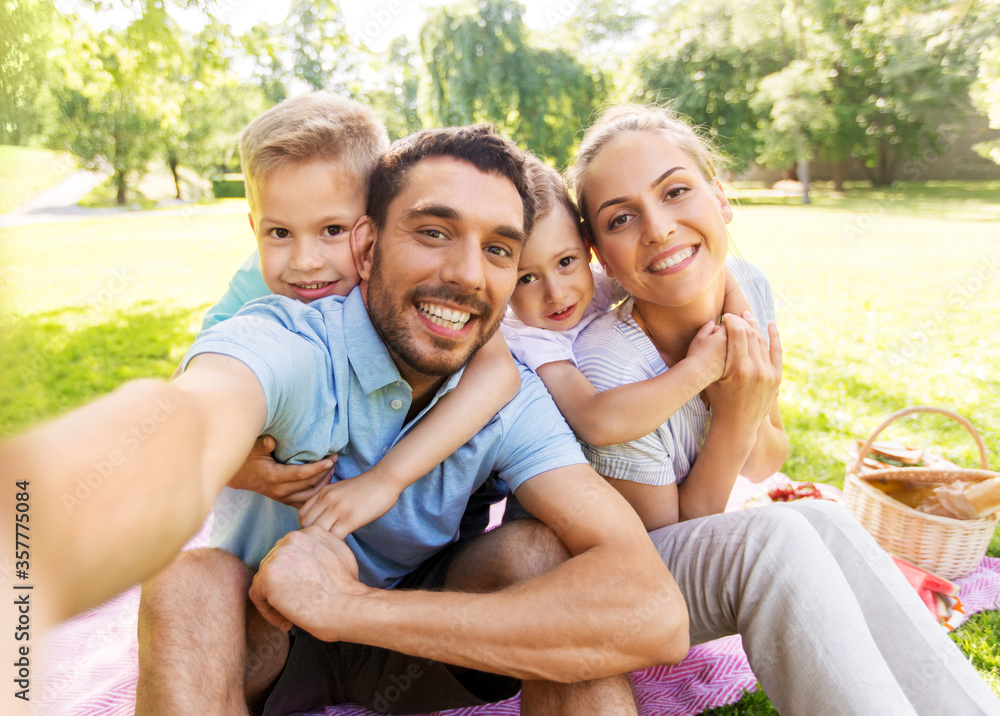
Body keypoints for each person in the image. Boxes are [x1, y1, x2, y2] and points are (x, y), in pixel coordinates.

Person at [125, 124, 685, 715]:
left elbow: (654, 617)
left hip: (419, 647)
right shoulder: (293, 340)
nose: (469, 274)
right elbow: (211, 395)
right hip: (265, 636)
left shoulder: (512, 393)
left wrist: (348, 609)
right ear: (367, 248)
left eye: (497, 249)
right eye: (433, 232)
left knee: (541, 559)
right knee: (188, 582)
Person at [568, 103, 1000, 714]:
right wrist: (734, 410)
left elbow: (768, 459)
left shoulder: (751, 286)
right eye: (621, 218)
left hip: (690, 543)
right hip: (628, 580)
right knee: (771, 538)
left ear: (721, 198)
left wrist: (746, 402)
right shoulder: (612, 368)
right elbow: (677, 541)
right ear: (601, 259)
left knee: (827, 522)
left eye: (676, 191)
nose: (659, 228)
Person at [193, 92, 521, 542]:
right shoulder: (257, 286)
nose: (305, 262)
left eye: (333, 230)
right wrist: (234, 468)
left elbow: (497, 373)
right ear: (256, 230)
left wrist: (388, 478)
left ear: (375, 227)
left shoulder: (408, 287)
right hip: (263, 541)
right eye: (280, 232)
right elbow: (208, 379)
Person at [502, 157, 751, 470]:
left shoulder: (595, 282)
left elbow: (706, 272)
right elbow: (594, 421)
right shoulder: (529, 338)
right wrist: (700, 368)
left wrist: (742, 330)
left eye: (565, 261)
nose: (556, 293)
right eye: (526, 278)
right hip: (552, 475)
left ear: (588, 248)